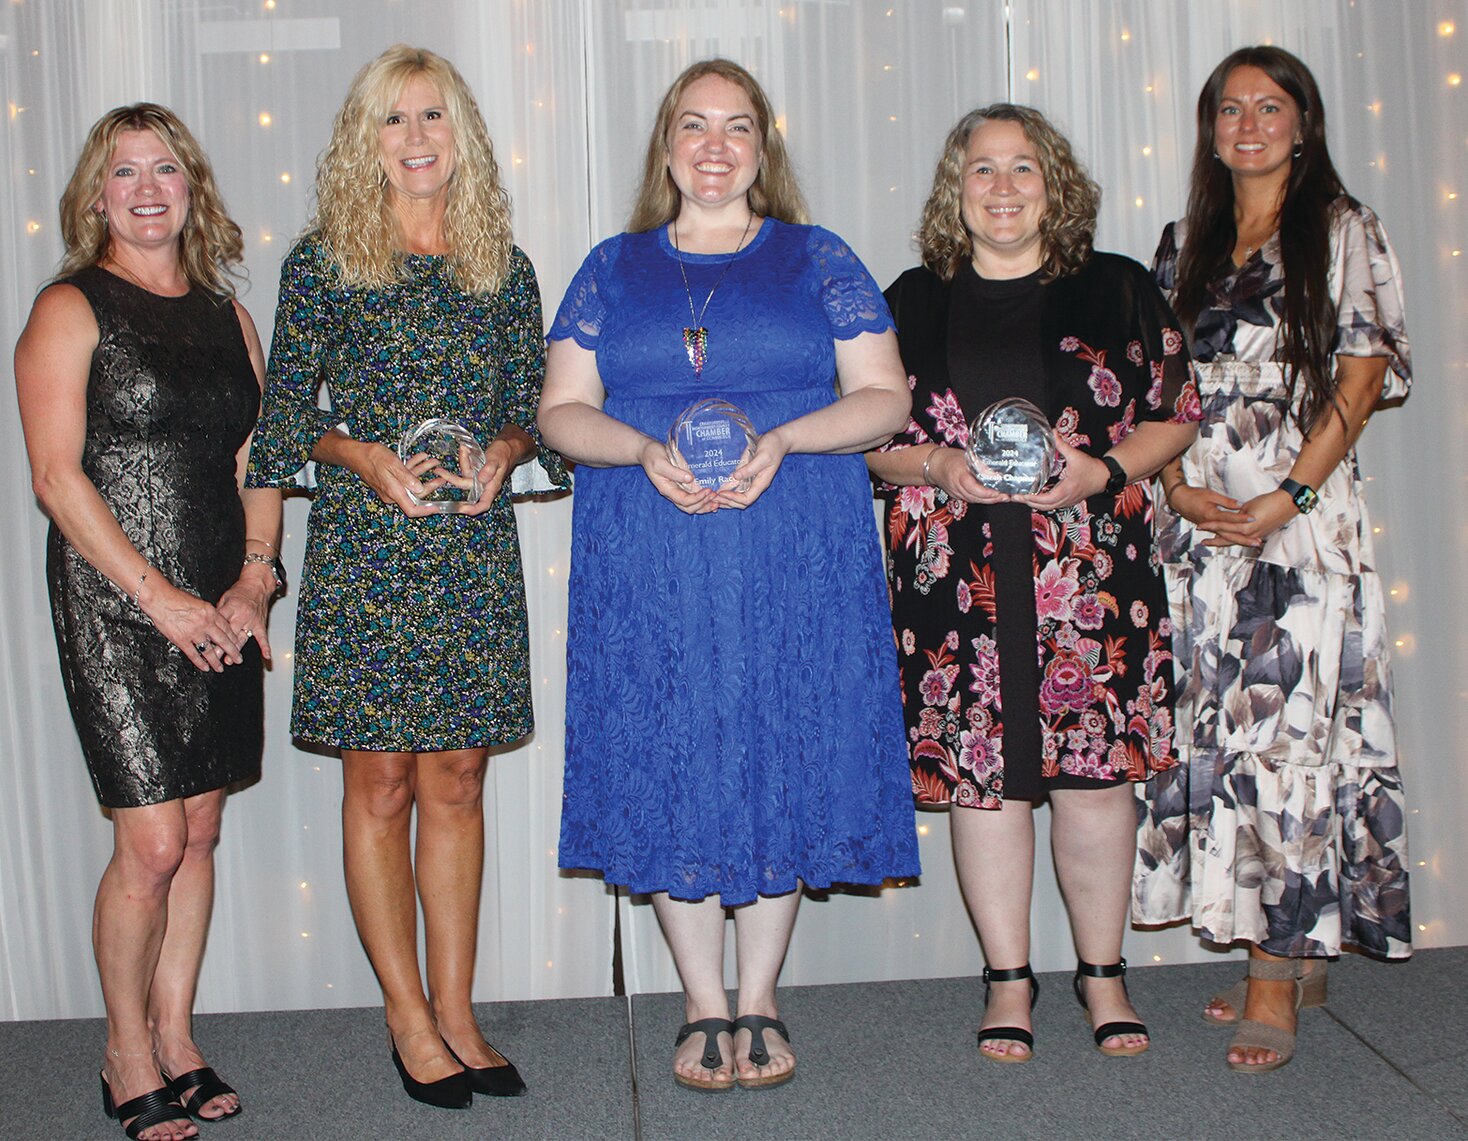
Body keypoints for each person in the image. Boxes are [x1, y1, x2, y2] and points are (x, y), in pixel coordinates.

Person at [539, 58, 920, 1092]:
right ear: (667, 148)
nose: (715, 146)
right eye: (694, 126)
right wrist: (641, 449)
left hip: (793, 536)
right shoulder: (612, 267)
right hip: (650, 541)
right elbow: (560, 409)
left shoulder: (817, 257)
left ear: (763, 148)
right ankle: (703, 1004)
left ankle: (761, 996)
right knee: (673, 743)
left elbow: (885, 398)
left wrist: (787, 439)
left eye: (737, 127)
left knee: (780, 736)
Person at [245, 45, 566, 1108]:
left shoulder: (503, 266)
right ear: (364, 140)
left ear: (461, 133)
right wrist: (362, 456)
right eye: (394, 119)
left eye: (433, 116)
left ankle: (459, 1008)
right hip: (369, 550)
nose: (416, 138)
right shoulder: (325, 262)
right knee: (380, 783)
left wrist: (511, 454)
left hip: (471, 551)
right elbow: (286, 421)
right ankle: (406, 1013)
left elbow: (536, 412)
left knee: (460, 781)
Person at [868, 104, 1201, 1064]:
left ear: (1055, 184)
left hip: (1090, 570)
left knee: (1096, 782)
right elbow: (870, 441)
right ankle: (1007, 980)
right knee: (985, 789)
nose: (1003, 187)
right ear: (954, 188)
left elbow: (1175, 412)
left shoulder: (1118, 287)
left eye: (1024, 169)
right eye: (982, 169)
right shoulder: (909, 300)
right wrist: (936, 467)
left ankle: (1103, 973)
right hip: (955, 580)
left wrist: (1101, 471)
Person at [1132, 46, 1412, 1073]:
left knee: (1286, 746)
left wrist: (1287, 493)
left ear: (1304, 121)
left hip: (1294, 530)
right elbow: (1156, 387)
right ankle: (1287, 945)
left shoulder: (1344, 231)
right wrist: (1171, 487)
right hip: (1200, 534)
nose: (1249, 124)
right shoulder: (1183, 245)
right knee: (1225, 744)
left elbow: (1366, 366)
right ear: (1210, 129)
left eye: (1270, 106)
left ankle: (1270, 977)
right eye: (1230, 110)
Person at [15, 103, 280, 1140]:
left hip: (219, 595)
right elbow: (55, 475)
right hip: (116, 599)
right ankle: (123, 1047)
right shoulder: (71, 307)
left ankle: (177, 1035)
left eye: (163, 167)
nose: (145, 187)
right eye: (123, 172)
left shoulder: (230, 317)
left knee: (204, 826)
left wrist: (254, 580)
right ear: (97, 195)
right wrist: (158, 597)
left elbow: (260, 458)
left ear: (192, 185)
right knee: (155, 841)